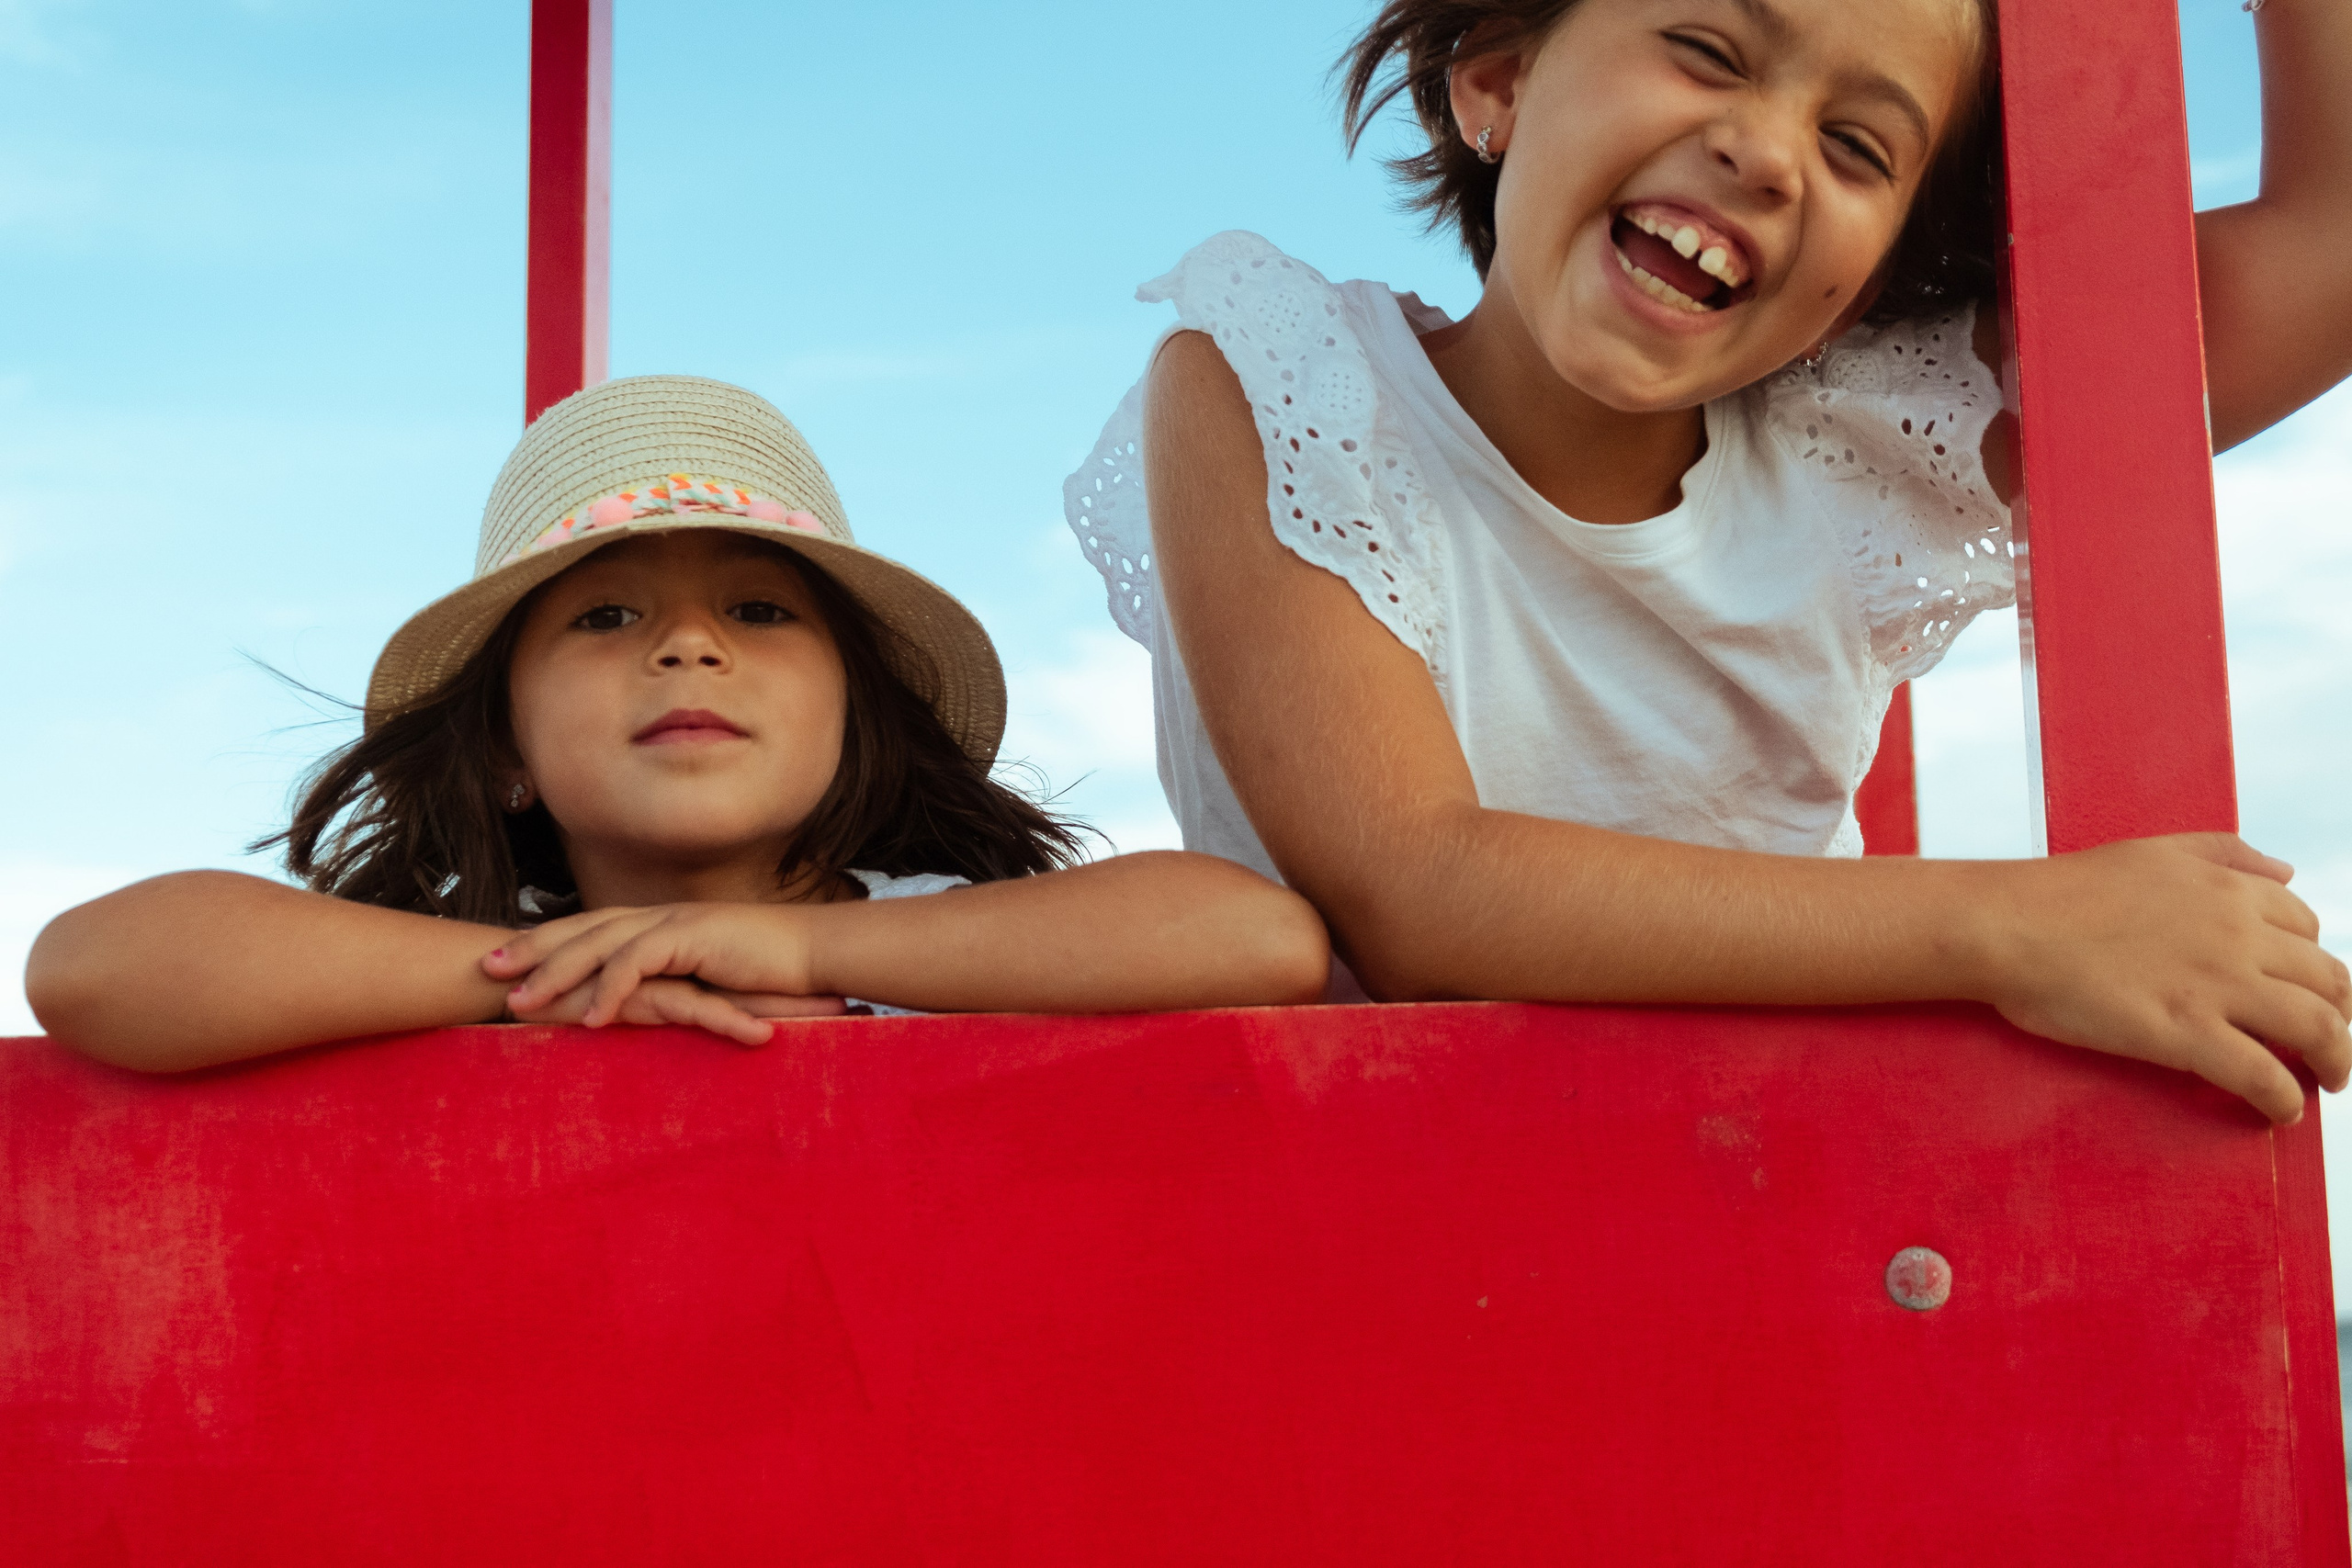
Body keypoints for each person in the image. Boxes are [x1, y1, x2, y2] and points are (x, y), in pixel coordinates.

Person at [1065, 0, 2352, 1122]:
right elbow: (1418, 891)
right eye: (1707, 49)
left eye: (1858, 147)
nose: (1767, 151)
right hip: (1368, 1234)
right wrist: (2023, 926)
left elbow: (2330, 249)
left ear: (1873, 282)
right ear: (1499, 78)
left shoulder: (1856, 444)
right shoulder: (1287, 384)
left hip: (1766, 1221)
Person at [29, 376, 1329, 1072]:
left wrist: (785, 951)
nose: (688, 643)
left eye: (761, 609)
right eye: (603, 619)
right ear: (500, 752)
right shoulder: (471, 967)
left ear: (854, 722)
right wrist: (552, 985)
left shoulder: (937, 937)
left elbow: (1256, 938)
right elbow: (92, 969)